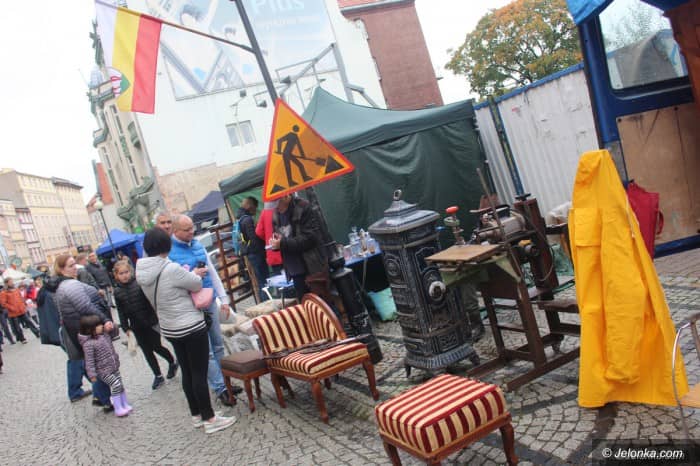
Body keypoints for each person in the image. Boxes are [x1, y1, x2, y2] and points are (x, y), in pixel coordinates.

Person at [136, 228, 236, 434]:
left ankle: (196, 414)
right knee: (199, 372)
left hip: (170, 328)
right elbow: (196, 284)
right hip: (190, 326)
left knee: (188, 373)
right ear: (165, 245)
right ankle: (210, 418)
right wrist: (194, 274)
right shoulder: (170, 268)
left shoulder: (142, 271)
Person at [169, 214, 241, 405]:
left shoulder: (197, 244)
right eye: (187, 230)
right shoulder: (169, 253)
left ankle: (226, 381)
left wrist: (223, 299)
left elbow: (213, 273)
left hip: (208, 300)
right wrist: (192, 274)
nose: (192, 232)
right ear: (175, 231)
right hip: (190, 306)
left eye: (192, 227)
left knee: (218, 344)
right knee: (206, 351)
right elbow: (173, 283)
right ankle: (220, 388)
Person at [50, 254, 115, 411]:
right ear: (61, 269)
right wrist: (104, 319)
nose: (75, 268)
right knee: (98, 364)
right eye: (71, 265)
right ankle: (105, 399)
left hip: (79, 329)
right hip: (84, 329)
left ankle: (100, 396)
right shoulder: (69, 285)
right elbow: (85, 306)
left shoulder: (63, 285)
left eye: (75, 264)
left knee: (93, 364)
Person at [113, 259, 178, 390]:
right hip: (136, 326)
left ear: (131, 272)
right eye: (121, 273)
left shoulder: (139, 284)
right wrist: (125, 327)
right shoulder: (117, 291)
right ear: (116, 275)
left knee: (156, 346)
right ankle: (158, 375)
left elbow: (150, 300)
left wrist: (156, 315)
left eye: (126, 272)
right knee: (147, 351)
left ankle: (172, 361)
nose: (124, 275)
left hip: (150, 322)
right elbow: (121, 311)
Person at [269, 194, 331, 302]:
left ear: (285, 196)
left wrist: (282, 243)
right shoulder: (276, 214)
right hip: (294, 271)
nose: (274, 207)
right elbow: (281, 238)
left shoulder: (303, 207)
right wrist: (276, 244)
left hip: (312, 268)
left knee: (322, 305)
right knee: (306, 305)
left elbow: (310, 238)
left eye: (276, 203)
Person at [78, 315, 132, 417]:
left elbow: (114, 332)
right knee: (116, 385)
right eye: (98, 325)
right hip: (103, 371)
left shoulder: (104, 335)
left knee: (120, 385)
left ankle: (124, 403)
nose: (101, 326)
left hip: (113, 366)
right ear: (91, 329)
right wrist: (92, 375)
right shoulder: (88, 344)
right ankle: (118, 407)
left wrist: (112, 326)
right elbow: (89, 361)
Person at [237, 196, 268, 301]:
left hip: (250, 253)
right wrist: (263, 252)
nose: (255, 211)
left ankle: (264, 302)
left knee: (260, 280)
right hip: (256, 254)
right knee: (264, 281)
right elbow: (253, 239)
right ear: (250, 206)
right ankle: (266, 302)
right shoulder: (247, 219)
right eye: (255, 207)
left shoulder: (240, 219)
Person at [0, 277, 40, 342]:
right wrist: (11, 308)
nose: (12, 283)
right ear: (6, 283)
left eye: (12, 281)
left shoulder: (16, 290)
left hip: (21, 310)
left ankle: (37, 333)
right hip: (13, 312)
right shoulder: (3, 293)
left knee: (29, 321)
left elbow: (20, 298)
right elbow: (3, 303)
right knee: (18, 327)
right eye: (10, 282)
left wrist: (23, 305)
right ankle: (22, 339)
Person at [256, 201, 283, 275]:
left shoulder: (265, 211)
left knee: (280, 280)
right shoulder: (284, 208)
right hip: (289, 252)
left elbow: (259, 231)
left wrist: (268, 239)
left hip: (274, 253)